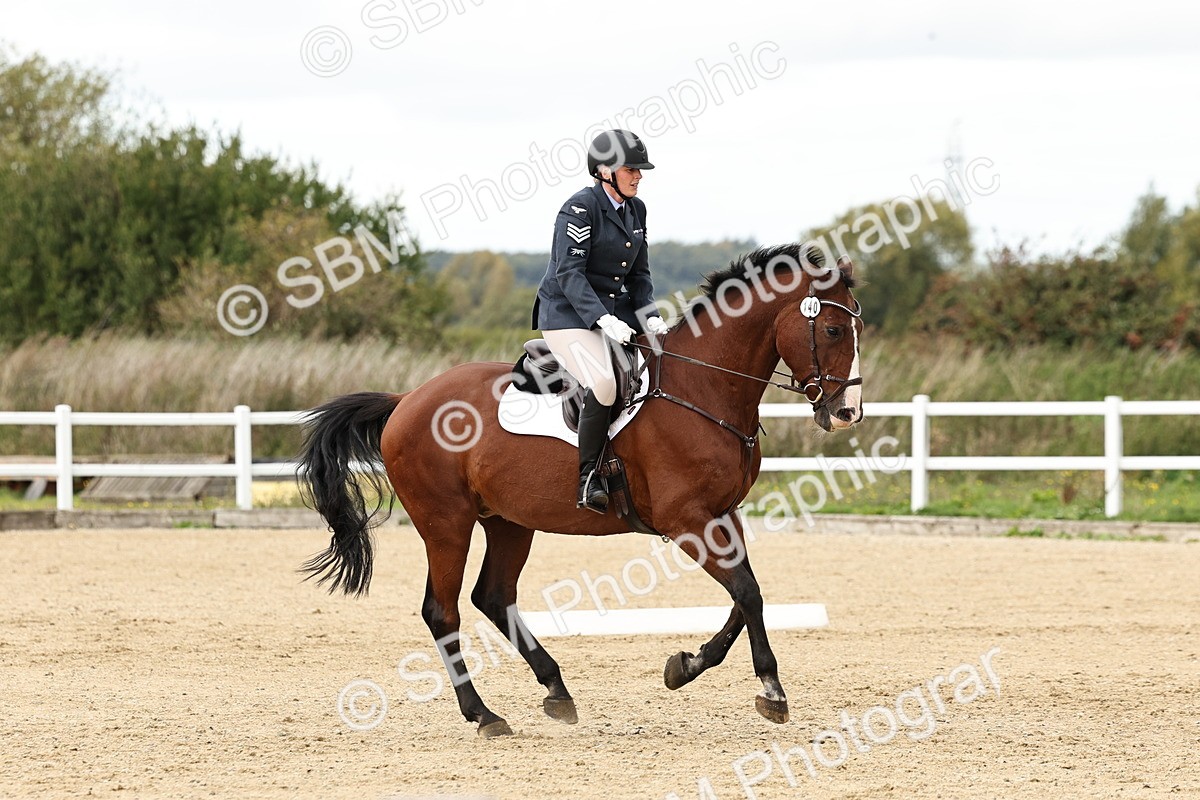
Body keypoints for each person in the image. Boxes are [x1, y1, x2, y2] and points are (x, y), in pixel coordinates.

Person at [531, 129, 670, 513]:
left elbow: (639, 276)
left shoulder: (636, 210)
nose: (638, 176)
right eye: (631, 169)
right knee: (605, 382)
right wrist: (603, 319)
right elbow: (569, 274)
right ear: (605, 171)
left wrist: (651, 317)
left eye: (640, 170)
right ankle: (588, 477)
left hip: (616, 314)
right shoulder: (579, 209)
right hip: (567, 315)